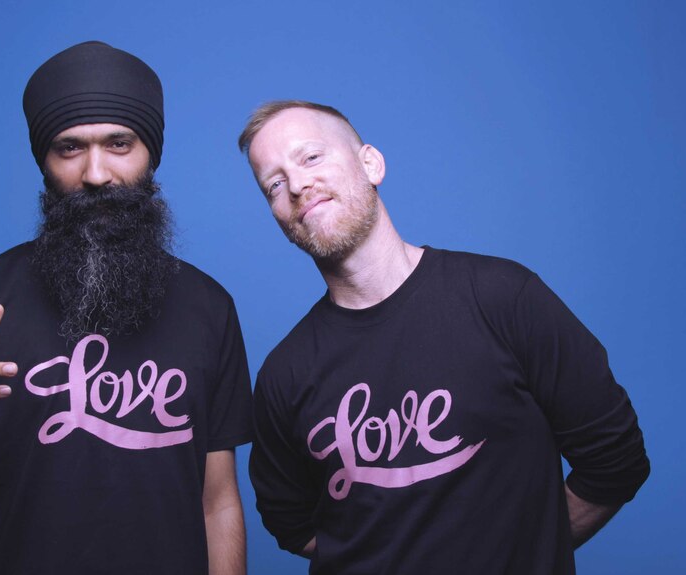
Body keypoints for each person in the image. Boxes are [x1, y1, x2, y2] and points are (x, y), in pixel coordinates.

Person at [0, 41, 252, 575]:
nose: (96, 174)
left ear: (151, 155)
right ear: (44, 162)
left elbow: (217, 503)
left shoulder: (209, 308)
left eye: (119, 143)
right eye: (69, 148)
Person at [237, 100, 649, 574]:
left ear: (370, 163)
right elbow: (292, 524)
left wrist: (532, 551)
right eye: (273, 183)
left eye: (311, 157)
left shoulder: (503, 298)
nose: (297, 185)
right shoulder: (284, 374)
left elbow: (616, 460)